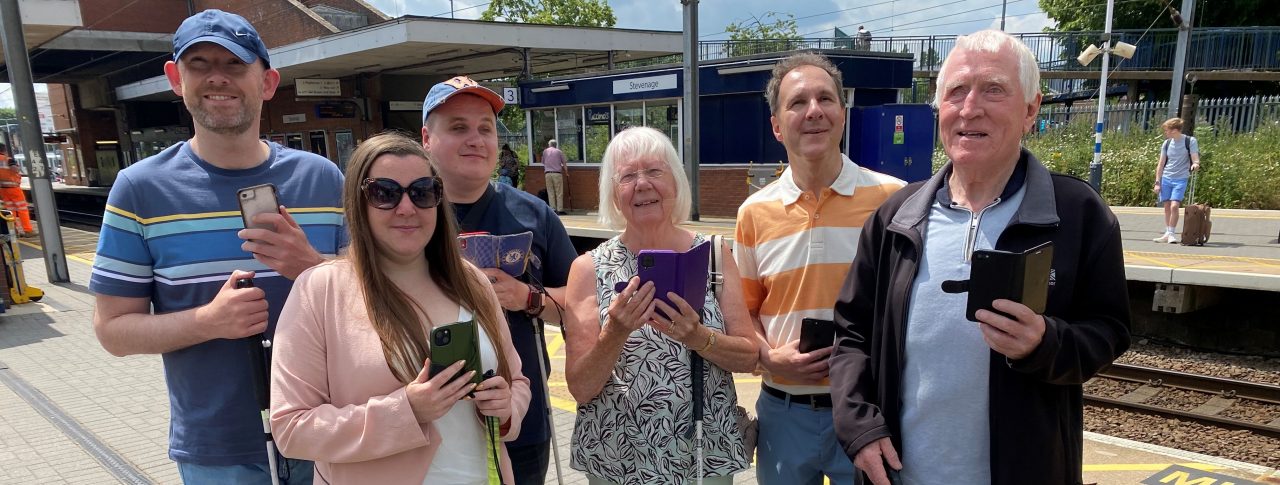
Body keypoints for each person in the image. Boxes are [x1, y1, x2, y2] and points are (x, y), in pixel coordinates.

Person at [830, 29, 1131, 485]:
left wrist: (1044, 343)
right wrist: (859, 428)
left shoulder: (1077, 214)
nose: (970, 108)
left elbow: (1109, 332)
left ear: (1031, 108)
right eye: (956, 92)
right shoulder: (896, 217)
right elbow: (851, 335)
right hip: (900, 474)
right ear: (939, 109)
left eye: (993, 89)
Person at [89, 9, 346, 484]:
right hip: (218, 451)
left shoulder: (323, 179)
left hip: (331, 430)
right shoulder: (139, 190)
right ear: (175, 78)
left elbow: (373, 298)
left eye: (234, 65)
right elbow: (112, 331)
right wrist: (208, 322)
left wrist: (313, 267)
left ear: (267, 82)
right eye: (200, 64)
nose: (217, 78)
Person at [269, 133, 531, 484]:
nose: (406, 207)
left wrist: (507, 410)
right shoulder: (320, 290)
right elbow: (291, 428)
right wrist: (405, 411)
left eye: (422, 192)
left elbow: (516, 380)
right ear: (358, 204)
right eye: (385, 193)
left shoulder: (472, 282)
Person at [734, 52, 905, 485]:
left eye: (825, 99)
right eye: (797, 102)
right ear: (776, 125)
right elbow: (744, 313)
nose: (814, 111)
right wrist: (769, 357)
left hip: (868, 413)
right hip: (783, 415)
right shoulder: (754, 212)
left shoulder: (893, 199)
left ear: (842, 115)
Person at [563, 126, 758, 485]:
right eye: (627, 176)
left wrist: (699, 337)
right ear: (613, 193)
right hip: (617, 457)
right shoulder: (588, 268)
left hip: (703, 453)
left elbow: (749, 356)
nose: (642, 184)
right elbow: (580, 388)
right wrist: (615, 332)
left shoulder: (714, 254)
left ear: (675, 183)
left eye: (654, 171)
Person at [421, 75, 578, 485]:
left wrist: (526, 297)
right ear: (426, 138)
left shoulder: (535, 214)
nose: (475, 139)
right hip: (427, 426)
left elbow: (579, 306)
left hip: (517, 418)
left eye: (485, 129)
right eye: (458, 127)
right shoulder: (402, 215)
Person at [1152, 117, 1201, 243]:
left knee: (1175, 206)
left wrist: (1195, 164)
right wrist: (1157, 182)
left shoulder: (1190, 141)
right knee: (1167, 206)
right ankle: (1168, 232)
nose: (1165, 133)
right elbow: (1161, 164)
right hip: (1167, 178)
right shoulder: (1167, 143)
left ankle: (1172, 233)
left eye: (1167, 130)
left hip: (1181, 178)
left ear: (1174, 130)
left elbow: (1195, 157)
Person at [0, 143, 35, 237]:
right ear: (4, 150)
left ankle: (14, 230)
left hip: (3, 189)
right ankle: (28, 230)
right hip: (14, 188)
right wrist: (17, 168)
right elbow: (14, 169)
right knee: (22, 209)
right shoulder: (8, 159)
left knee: (10, 210)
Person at [541, 138, 568, 214]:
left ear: (549, 145)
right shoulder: (559, 152)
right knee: (559, 192)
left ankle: (553, 209)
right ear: (556, 145)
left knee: (550, 191)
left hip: (548, 174)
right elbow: (564, 163)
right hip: (557, 173)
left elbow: (543, 162)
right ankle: (560, 210)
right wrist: (567, 172)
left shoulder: (545, 151)